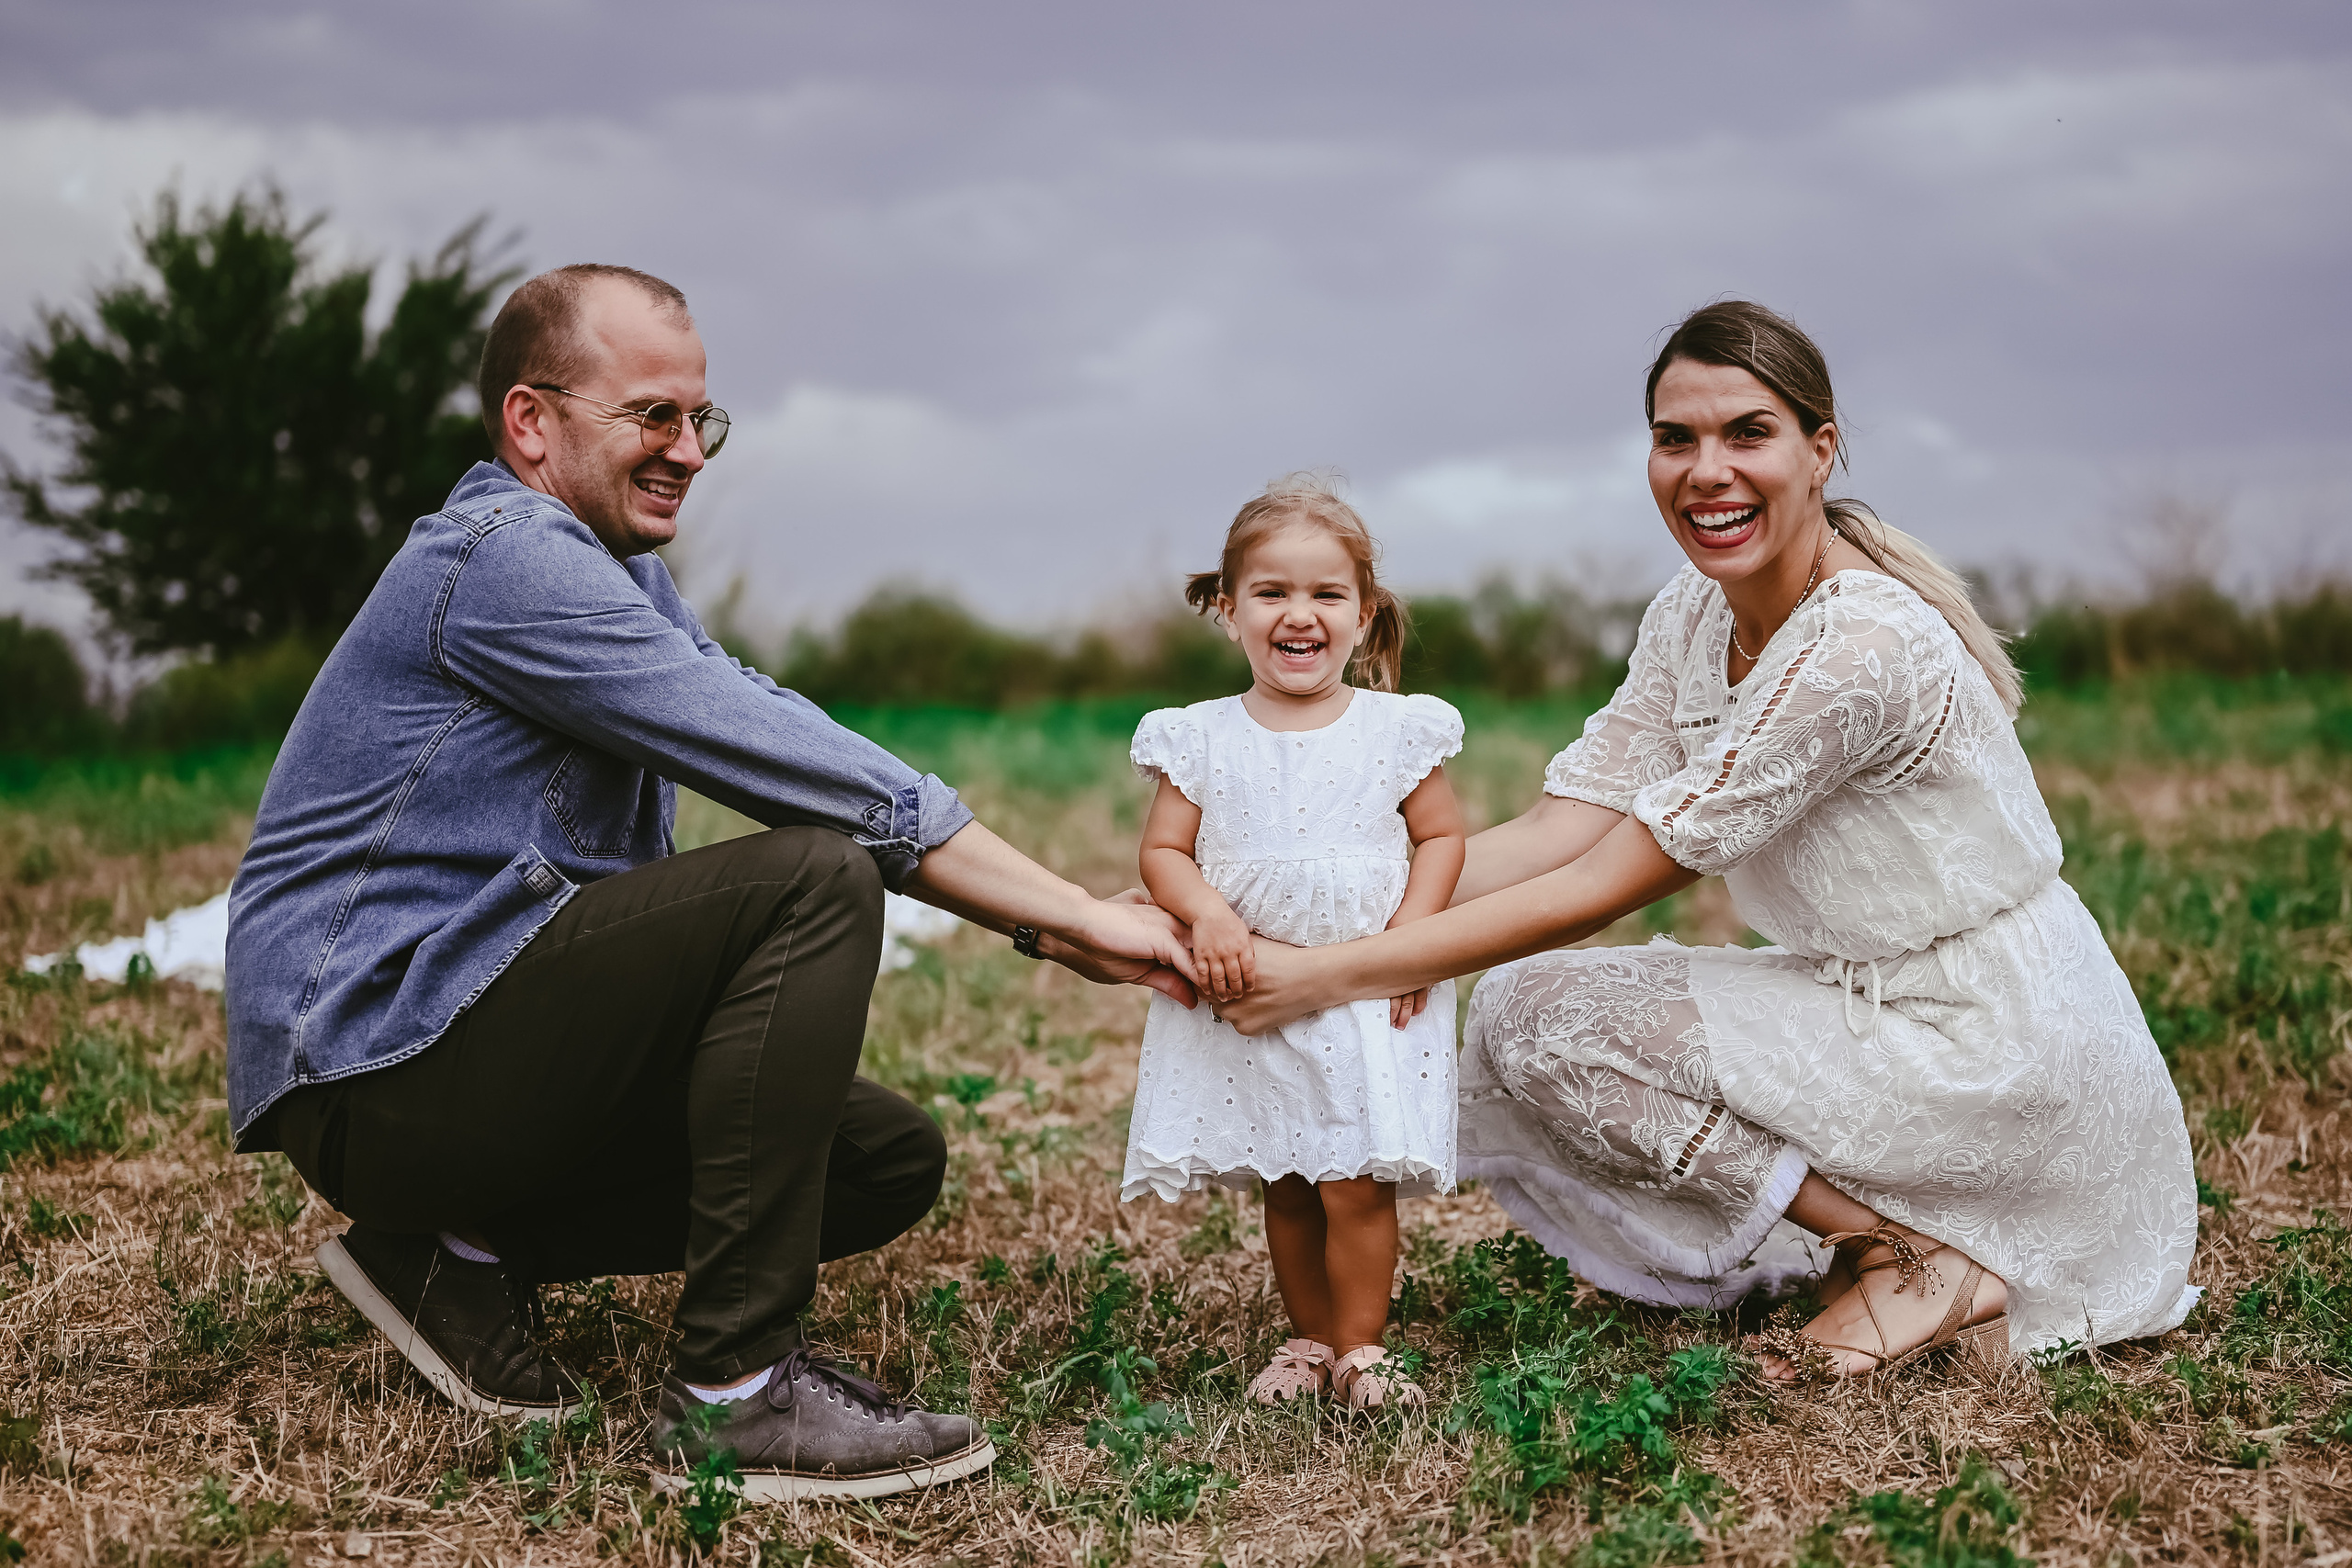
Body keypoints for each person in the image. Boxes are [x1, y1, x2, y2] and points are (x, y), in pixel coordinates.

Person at [224, 264, 1199, 1500]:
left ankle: (455, 1249)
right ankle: (734, 1396)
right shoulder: (503, 559)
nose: (689, 449)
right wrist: (1060, 918)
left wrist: (1053, 911)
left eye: (702, 420)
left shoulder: (618, 569)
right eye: (653, 416)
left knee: (880, 1156)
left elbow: (767, 712)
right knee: (810, 878)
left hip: (463, 1047)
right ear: (532, 422)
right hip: (379, 1058)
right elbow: (781, 759)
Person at [1216, 303, 2199, 1377]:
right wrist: (1246, 901)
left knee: (1545, 1016)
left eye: (1747, 434)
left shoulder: (1860, 644)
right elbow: (1561, 827)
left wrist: (1320, 974)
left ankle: (1916, 1256)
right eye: (1674, 438)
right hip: (1860, 1000)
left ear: (1819, 451)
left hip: (1994, 1040)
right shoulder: (1693, 611)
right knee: (1524, 1014)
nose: (1705, 470)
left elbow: (1601, 885)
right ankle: (1889, 1241)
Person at [1124, 476, 1466, 1409]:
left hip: (1363, 987)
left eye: (1326, 594)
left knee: (1354, 1180)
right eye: (1272, 592)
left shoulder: (1398, 730)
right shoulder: (1198, 736)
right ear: (1229, 610)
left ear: (1362, 614)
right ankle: (1309, 1338)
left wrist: (1416, 940)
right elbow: (1163, 852)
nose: (1298, 614)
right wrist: (1210, 914)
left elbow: (1441, 838)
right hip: (1256, 983)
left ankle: (1362, 1348)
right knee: (1288, 1176)